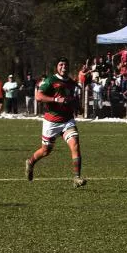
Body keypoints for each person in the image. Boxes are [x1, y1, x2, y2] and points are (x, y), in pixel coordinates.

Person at [25, 58, 87, 187]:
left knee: (75, 144)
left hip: (67, 120)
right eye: (61, 64)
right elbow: (38, 96)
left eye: (66, 64)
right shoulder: (50, 80)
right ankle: (30, 162)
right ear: (57, 67)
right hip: (52, 122)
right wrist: (55, 99)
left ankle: (76, 177)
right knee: (46, 151)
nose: (64, 66)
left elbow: (72, 98)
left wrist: (77, 106)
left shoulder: (71, 82)